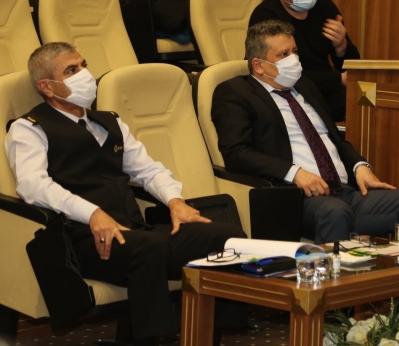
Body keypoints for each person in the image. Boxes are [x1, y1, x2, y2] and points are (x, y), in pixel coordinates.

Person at [211, 20, 399, 335]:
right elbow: (236, 153)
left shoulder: (304, 86)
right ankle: (335, 323)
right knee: (335, 212)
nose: (293, 59)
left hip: (345, 192)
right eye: (283, 54)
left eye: (294, 51)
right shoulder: (234, 93)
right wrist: (294, 173)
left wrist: (359, 166)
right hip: (294, 199)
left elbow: (335, 138)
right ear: (258, 65)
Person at [5, 43, 246, 346]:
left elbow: (149, 170)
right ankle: (147, 339)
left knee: (226, 237)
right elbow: (33, 187)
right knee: (149, 248)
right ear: (47, 87)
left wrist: (175, 201)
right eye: (71, 70)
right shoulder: (29, 129)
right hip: (82, 241)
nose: (84, 74)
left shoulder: (110, 121)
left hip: (135, 232)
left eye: (83, 65)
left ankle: (206, 335)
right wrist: (92, 213)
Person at [248, 0, 359, 122]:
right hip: (286, 91)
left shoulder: (324, 6)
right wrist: (338, 79)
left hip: (326, 89)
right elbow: (276, 73)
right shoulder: (266, 16)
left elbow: (353, 66)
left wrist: (341, 47)